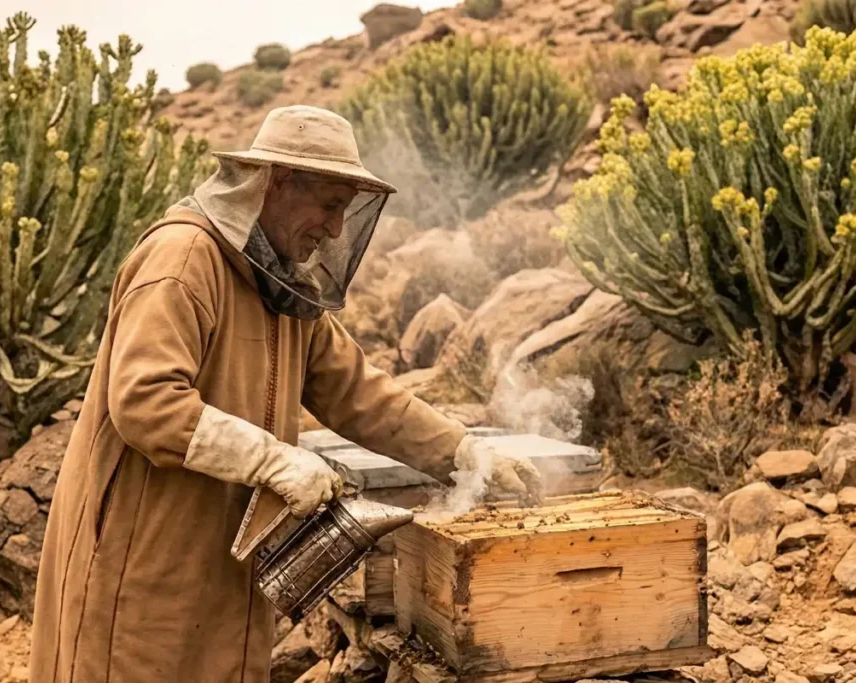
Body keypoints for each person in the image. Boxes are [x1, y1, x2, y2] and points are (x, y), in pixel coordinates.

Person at [29, 105, 543, 683]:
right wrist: (271, 459)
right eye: (327, 205)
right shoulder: (182, 259)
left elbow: (356, 391)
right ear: (276, 183)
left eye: (344, 213)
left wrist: (463, 452)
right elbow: (144, 401)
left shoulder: (282, 283)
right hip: (141, 555)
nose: (332, 229)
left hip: (221, 555)